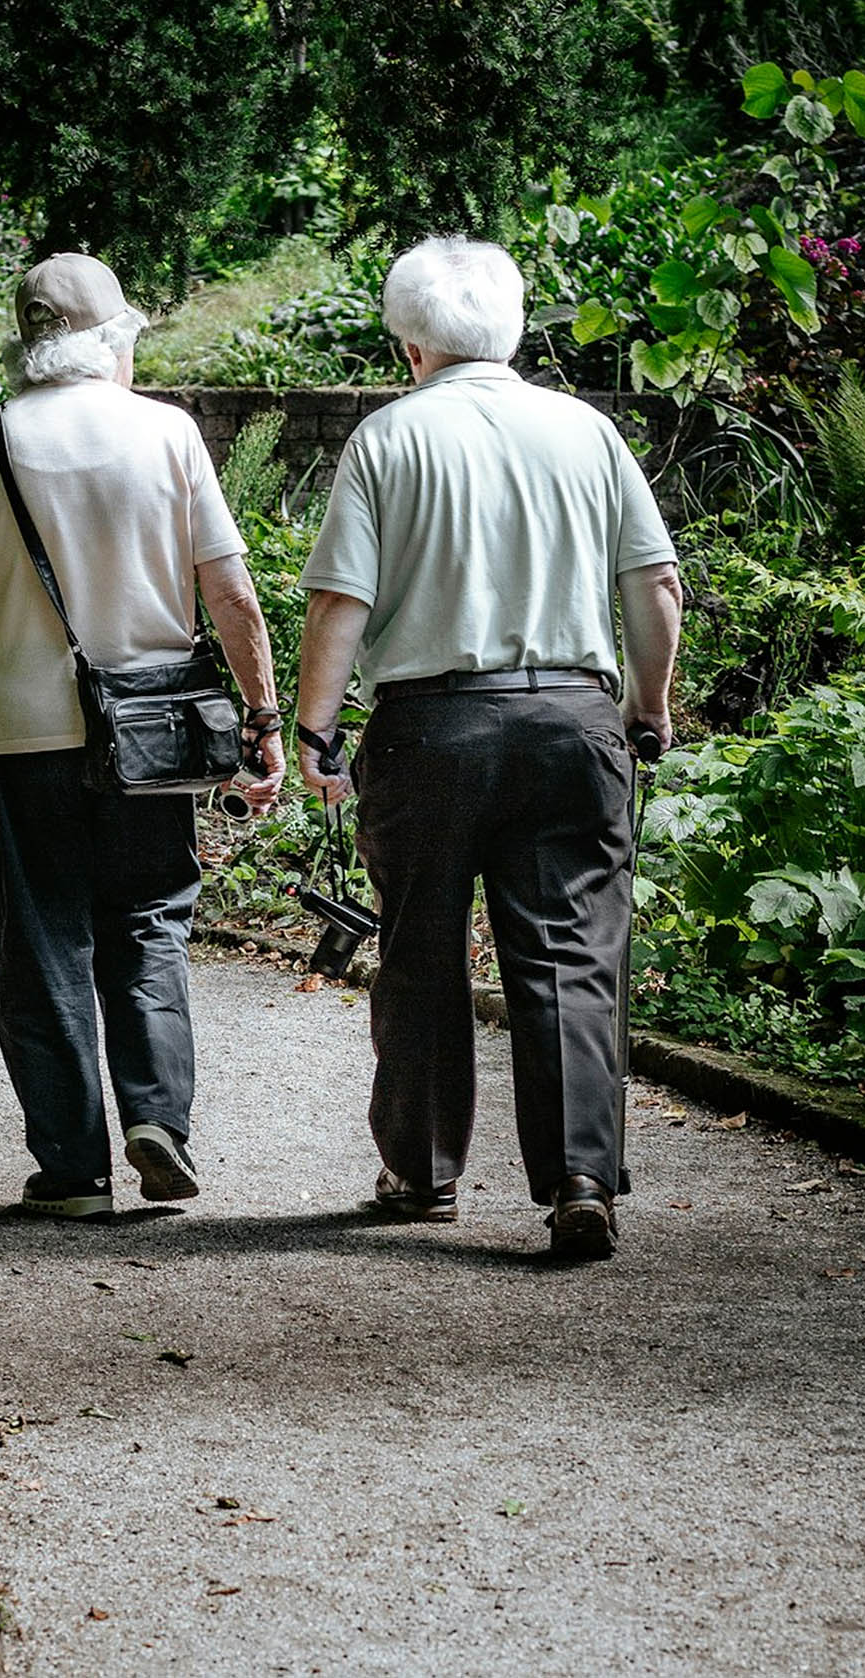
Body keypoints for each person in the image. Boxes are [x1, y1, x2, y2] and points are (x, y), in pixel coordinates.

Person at [294, 234, 682, 1260]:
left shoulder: (388, 439)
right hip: (570, 718)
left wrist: (316, 728)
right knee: (569, 956)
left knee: (419, 946)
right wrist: (650, 705)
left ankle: (421, 1173)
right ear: (512, 329)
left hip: (431, 729)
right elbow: (654, 584)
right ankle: (580, 1178)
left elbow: (342, 602)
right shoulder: (586, 432)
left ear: (410, 343)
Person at [0, 251, 285, 1222]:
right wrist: (263, 717)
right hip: (154, 733)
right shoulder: (168, 432)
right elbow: (230, 593)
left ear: (31, 346)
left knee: (40, 944)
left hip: (13, 737)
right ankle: (158, 1118)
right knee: (150, 921)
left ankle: (71, 1168)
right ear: (113, 338)